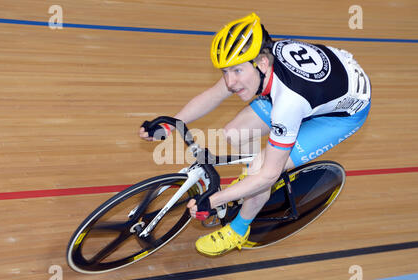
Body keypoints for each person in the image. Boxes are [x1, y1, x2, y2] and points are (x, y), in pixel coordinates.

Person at [139, 13, 371, 256]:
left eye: (237, 72)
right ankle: (250, 185)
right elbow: (213, 95)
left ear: (261, 64)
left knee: (262, 171)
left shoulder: (288, 103)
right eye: (225, 72)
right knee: (233, 133)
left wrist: (215, 200)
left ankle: (238, 230)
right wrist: (171, 124)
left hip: (340, 116)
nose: (230, 82)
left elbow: (269, 175)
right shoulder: (256, 59)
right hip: (316, 89)